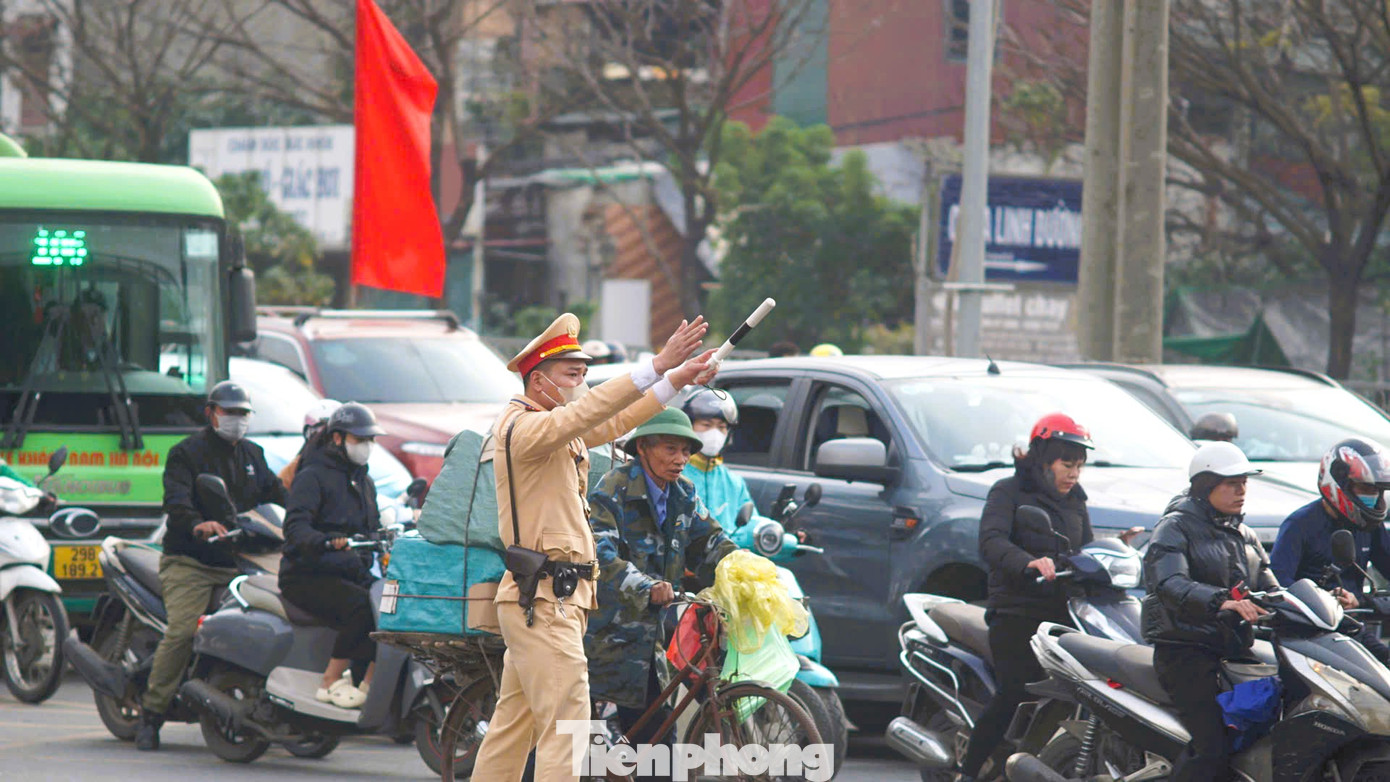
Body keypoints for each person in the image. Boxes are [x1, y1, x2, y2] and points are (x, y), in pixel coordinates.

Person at [471, 313, 717, 782]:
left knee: (513, 728)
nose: (581, 384)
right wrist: (657, 364)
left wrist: (674, 379)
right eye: (573, 375)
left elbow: (616, 419)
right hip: (543, 600)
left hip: (550, 599)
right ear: (539, 381)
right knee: (567, 727)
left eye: (585, 374)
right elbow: (586, 415)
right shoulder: (525, 429)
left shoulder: (550, 429)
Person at [585, 408, 739, 766]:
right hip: (604, 632)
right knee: (577, 742)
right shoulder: (613, 488)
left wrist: (744, 568)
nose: (681, 460)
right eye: (670, 449)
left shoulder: (684, 493)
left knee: (656, 745)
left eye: (685, 451)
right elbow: (599, 553)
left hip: (653, 637)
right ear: (643, 448)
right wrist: (645, 586)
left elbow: (711, 541)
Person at [138, 381, 287, 751]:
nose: (236, 419)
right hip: (192, 561)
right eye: (229, 412)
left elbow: (276, 496)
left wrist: (301, 519)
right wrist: (196, 523)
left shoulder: (254, 455)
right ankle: (151, 714)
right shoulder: (186, 453)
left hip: (243, 561)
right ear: (211, 413)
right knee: (184, 631)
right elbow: (176, 499)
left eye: (243, 413)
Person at [958, 413, 1095, 781]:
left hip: (1063, 613)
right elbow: (991, 542)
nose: (1074, 474)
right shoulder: (1008, 491)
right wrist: (1029, 562)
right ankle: (969, 772)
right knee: (1013, 692)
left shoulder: (1075, 499)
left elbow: (1085, 547)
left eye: (1079, 466)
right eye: (1067, 464)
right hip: (1016, 612)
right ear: (1042, 458)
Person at [1143, 441, 1277, 782]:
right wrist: (1221, 601)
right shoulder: (1175, 527)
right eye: (1232, 483)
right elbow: (1169, 582)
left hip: (1233, 649)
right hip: (1185, 652)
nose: (1241, 490)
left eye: (1244, 482)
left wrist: (1321, 600)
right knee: (1212, 749)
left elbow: (1273, 587)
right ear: (1205, 487)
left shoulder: (1245, 535)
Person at [279, 402, 385, 709]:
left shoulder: (365, 482)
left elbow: (373, 528)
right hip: (307, 574)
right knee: (360, 607)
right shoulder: (312, 476)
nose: (366, 446)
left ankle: (365, 682)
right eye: (359, 439)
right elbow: (296, 529)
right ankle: (329, 681)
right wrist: (326, 542)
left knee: (387, 607)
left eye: (370, 440)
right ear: (337, 438)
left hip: (349, 570)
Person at [1270, 437, 1390, 662]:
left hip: (1354, 627)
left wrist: (1362, 601)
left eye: (1377, 490)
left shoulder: (1369, 525)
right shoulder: (1299, 525)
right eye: (1365, 488)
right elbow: (1277, 584)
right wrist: (1321, 599)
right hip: (1310, 636)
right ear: (1339, 482)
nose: (1372, 497)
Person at [277, 398, 342, 489]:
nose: (334, 440)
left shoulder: (354, 467)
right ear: (310, 433)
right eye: (324, 433)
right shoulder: (296, 470)